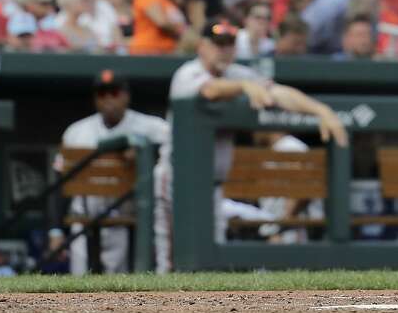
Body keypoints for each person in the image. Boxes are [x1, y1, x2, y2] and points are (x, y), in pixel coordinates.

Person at [154, 20, 348, 273]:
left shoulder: (237, 73)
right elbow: (210, 91)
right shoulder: (187, 73)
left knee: (208, 262)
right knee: (170, 263)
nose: (224, 50)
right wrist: (244, 86)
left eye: (229, 44)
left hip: (212, 185)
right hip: (177, 180)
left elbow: (278, 94)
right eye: (218, 44)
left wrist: (320, 110)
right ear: (202, 46)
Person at [60, 70, 168, 275]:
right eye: (102, 93)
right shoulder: (76, 131)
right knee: (80, 284)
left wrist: (146, 152)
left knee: (121, 286)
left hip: (127, 216)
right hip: (84, 217)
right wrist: (55, 229)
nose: (109, 98)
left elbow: (177, 144)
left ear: (126, 96)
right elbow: (62, 183)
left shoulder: (151, 126)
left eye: (115, 92)